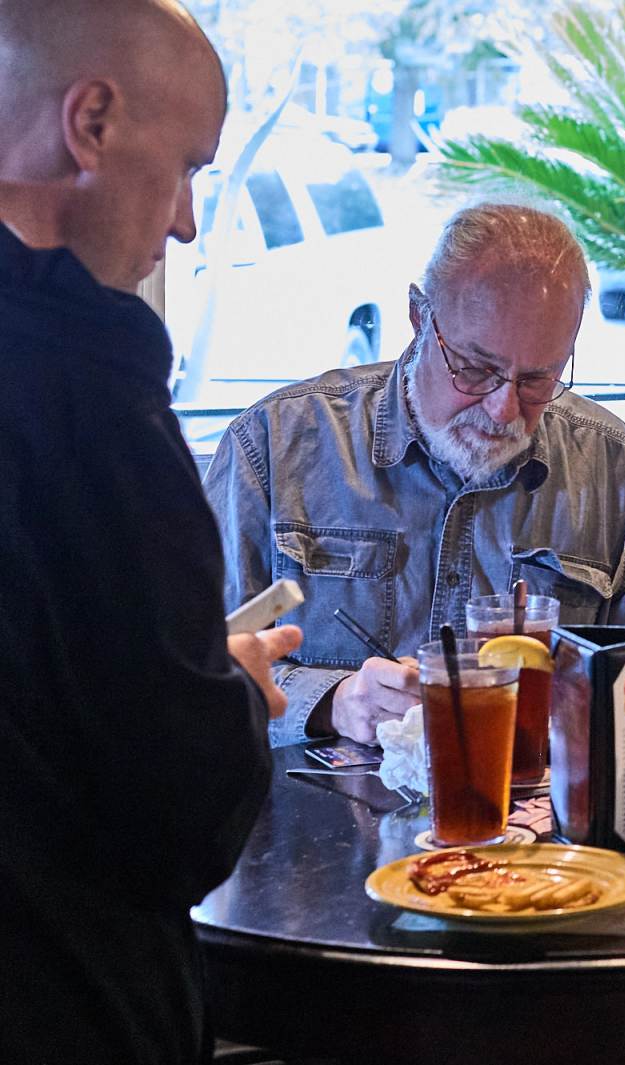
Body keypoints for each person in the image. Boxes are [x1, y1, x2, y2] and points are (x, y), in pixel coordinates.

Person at [0, 2, 301, 1062]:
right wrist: (230, 693)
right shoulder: (88, 382)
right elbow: (179, 802)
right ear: (91, 122)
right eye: (184, 169)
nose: (183, 222)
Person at [206, 202, 625, 747]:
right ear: (420, 318)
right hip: (312, 800)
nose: (503, 409)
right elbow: (193, 681)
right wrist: (333, 703)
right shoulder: (275, 446)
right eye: (476, 369)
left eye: (537, 380)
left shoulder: (618, 473)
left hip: (532, 797)